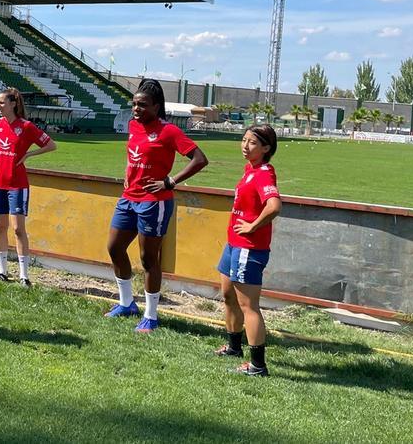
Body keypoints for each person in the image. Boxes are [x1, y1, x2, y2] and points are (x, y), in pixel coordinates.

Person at [105, 78, 208, 332]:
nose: (136, 110)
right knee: (114, 248)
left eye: (142, 105)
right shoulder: (132, 126)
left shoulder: (169, 131)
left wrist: (170, 182)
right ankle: (127, 303)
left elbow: (199, 159)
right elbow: (133, 156)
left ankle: (151, 316)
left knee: (148, 259)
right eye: (134, 105)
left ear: (156, 106)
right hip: (129, 197)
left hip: (154, 202)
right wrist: (129, 173)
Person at [214, 124, 282, 377]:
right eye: (243, 140)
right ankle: (234, 347)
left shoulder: (264, 172)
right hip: (233, 244)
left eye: (252, 143)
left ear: (266, 148)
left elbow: (274, 206)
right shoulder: (250, 170)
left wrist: (253, 226)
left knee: (248, 306)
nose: (245, 146)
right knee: (227, 294)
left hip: (249, 249)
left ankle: (257, 366)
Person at [0, 88, 57, 287]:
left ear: (13, 104)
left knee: (18, 229)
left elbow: (51, 145)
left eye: (2, 102)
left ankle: (24, 275)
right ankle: (2, 271)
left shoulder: (26, 127)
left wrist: (29, 155)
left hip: (18, 184)